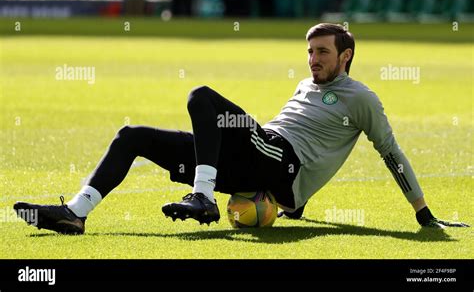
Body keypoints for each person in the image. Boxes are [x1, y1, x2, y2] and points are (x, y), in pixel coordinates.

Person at [14, 23, 469, 234]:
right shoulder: (304, 84)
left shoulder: (362, 98)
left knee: (201, 97)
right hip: (259, 156)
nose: (313, 60)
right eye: (310, 52)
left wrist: (423, 213)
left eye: (322, 53)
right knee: (131, 135)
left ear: (345, 56)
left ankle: (203, 195)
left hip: (281, 162)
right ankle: (76, 212)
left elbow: (390, 152)